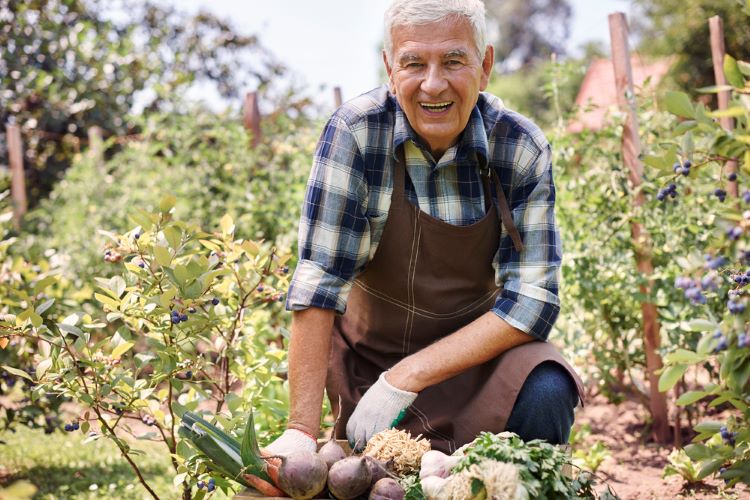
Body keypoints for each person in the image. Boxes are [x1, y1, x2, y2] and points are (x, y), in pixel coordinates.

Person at [265, 0, 584, 458]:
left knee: (548, 388)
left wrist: (408, 375)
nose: (433, 84)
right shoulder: (356, 134)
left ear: (485, 64)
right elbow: (320, 282)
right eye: (414, 63)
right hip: (366, 369)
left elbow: (534, 302)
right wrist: (299, 431)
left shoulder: (518, 147)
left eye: (454, 61)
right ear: (390, 70)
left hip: (475, 372)